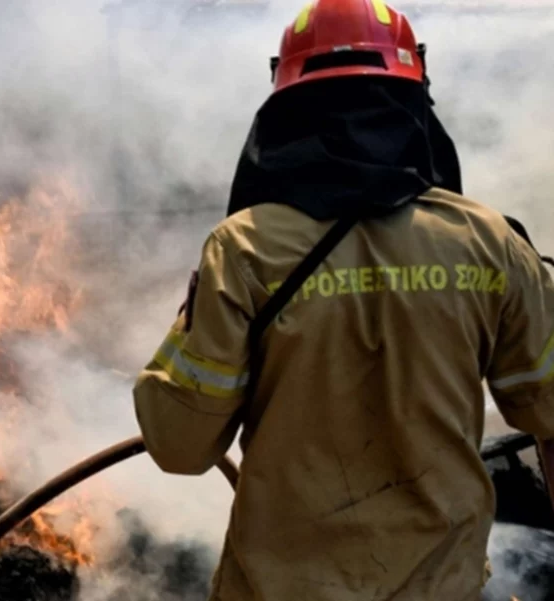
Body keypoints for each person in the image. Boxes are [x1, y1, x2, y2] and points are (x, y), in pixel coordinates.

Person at [131, 0, 554, 599]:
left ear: (286, 109)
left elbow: (178, 446)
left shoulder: (245, 250)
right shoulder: (490, 244)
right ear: (414, 102)